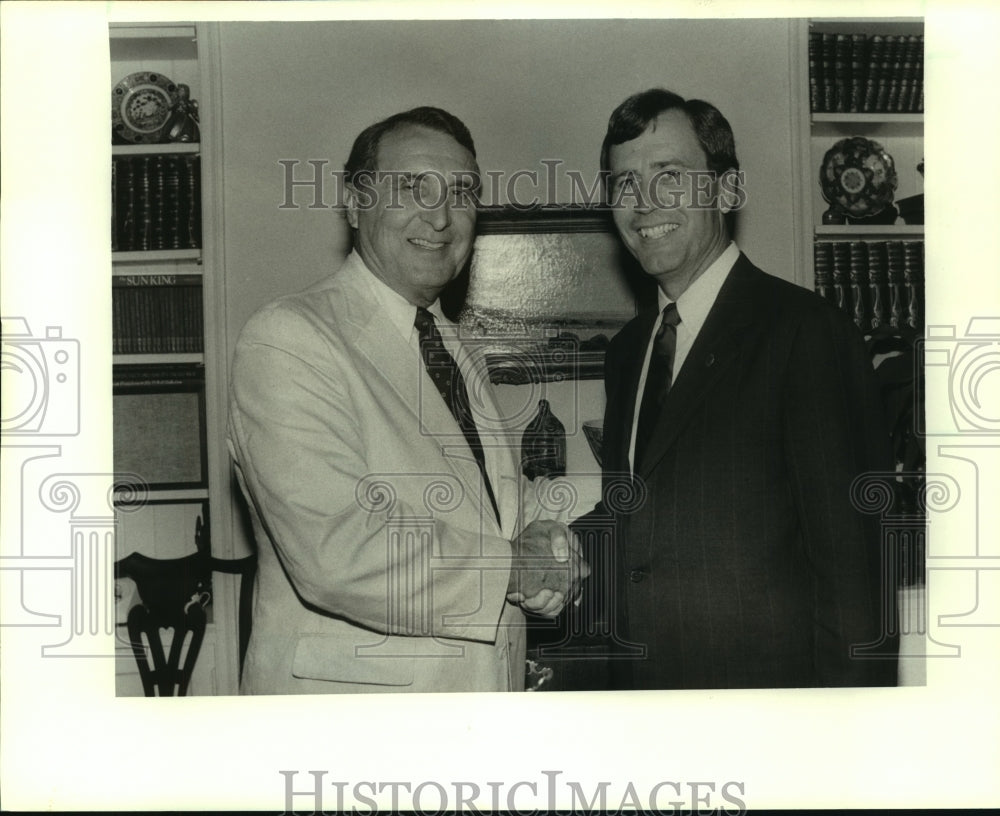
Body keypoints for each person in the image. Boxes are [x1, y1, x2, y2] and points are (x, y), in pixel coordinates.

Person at [228, 106, 587, 694]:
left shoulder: (454, 347)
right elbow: (338, 550)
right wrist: (516, 570)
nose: (441, 217)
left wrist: (544, 538)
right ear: (354, 203)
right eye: (410, 188)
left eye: (461, 192)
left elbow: (478, 516)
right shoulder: (289, 336)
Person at [593, 88, 898, 689]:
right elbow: (650, 511)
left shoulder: (806, 333)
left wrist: (853, 738)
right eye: (624, 184)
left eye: (670, 176)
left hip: (769, 718)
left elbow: (854, 569)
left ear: (727, 191)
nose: (644, 202)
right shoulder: (629, 351)